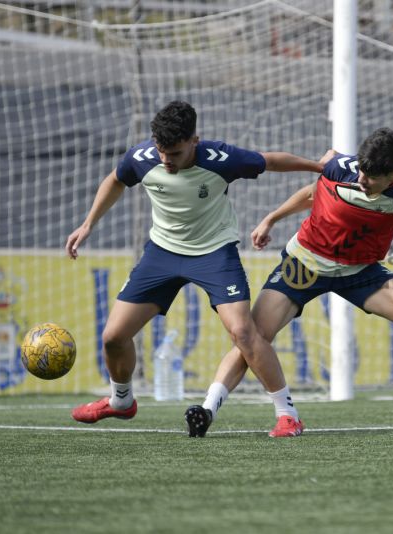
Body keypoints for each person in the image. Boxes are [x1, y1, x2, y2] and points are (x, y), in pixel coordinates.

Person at [184, 127, 393, 436]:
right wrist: (271, 218)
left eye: (371, 177)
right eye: (361, 170)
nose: (361, 179)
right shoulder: (338, 166)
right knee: (252, 335)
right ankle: (208, 409)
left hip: (360, 272)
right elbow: (312, 193)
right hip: (303, 265)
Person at [66, 100, 324, 436]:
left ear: (194, 141)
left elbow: (270, 160)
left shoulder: (221, 159)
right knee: (113, 337)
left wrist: (318, 167)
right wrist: (88, 223)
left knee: (244, 332)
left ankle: (287, 414)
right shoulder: (141, 158)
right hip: (161, 254)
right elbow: (115, 179)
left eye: (174, 153)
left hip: (214, 253)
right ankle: (121, 401)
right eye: (161, 151)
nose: (166, 160)